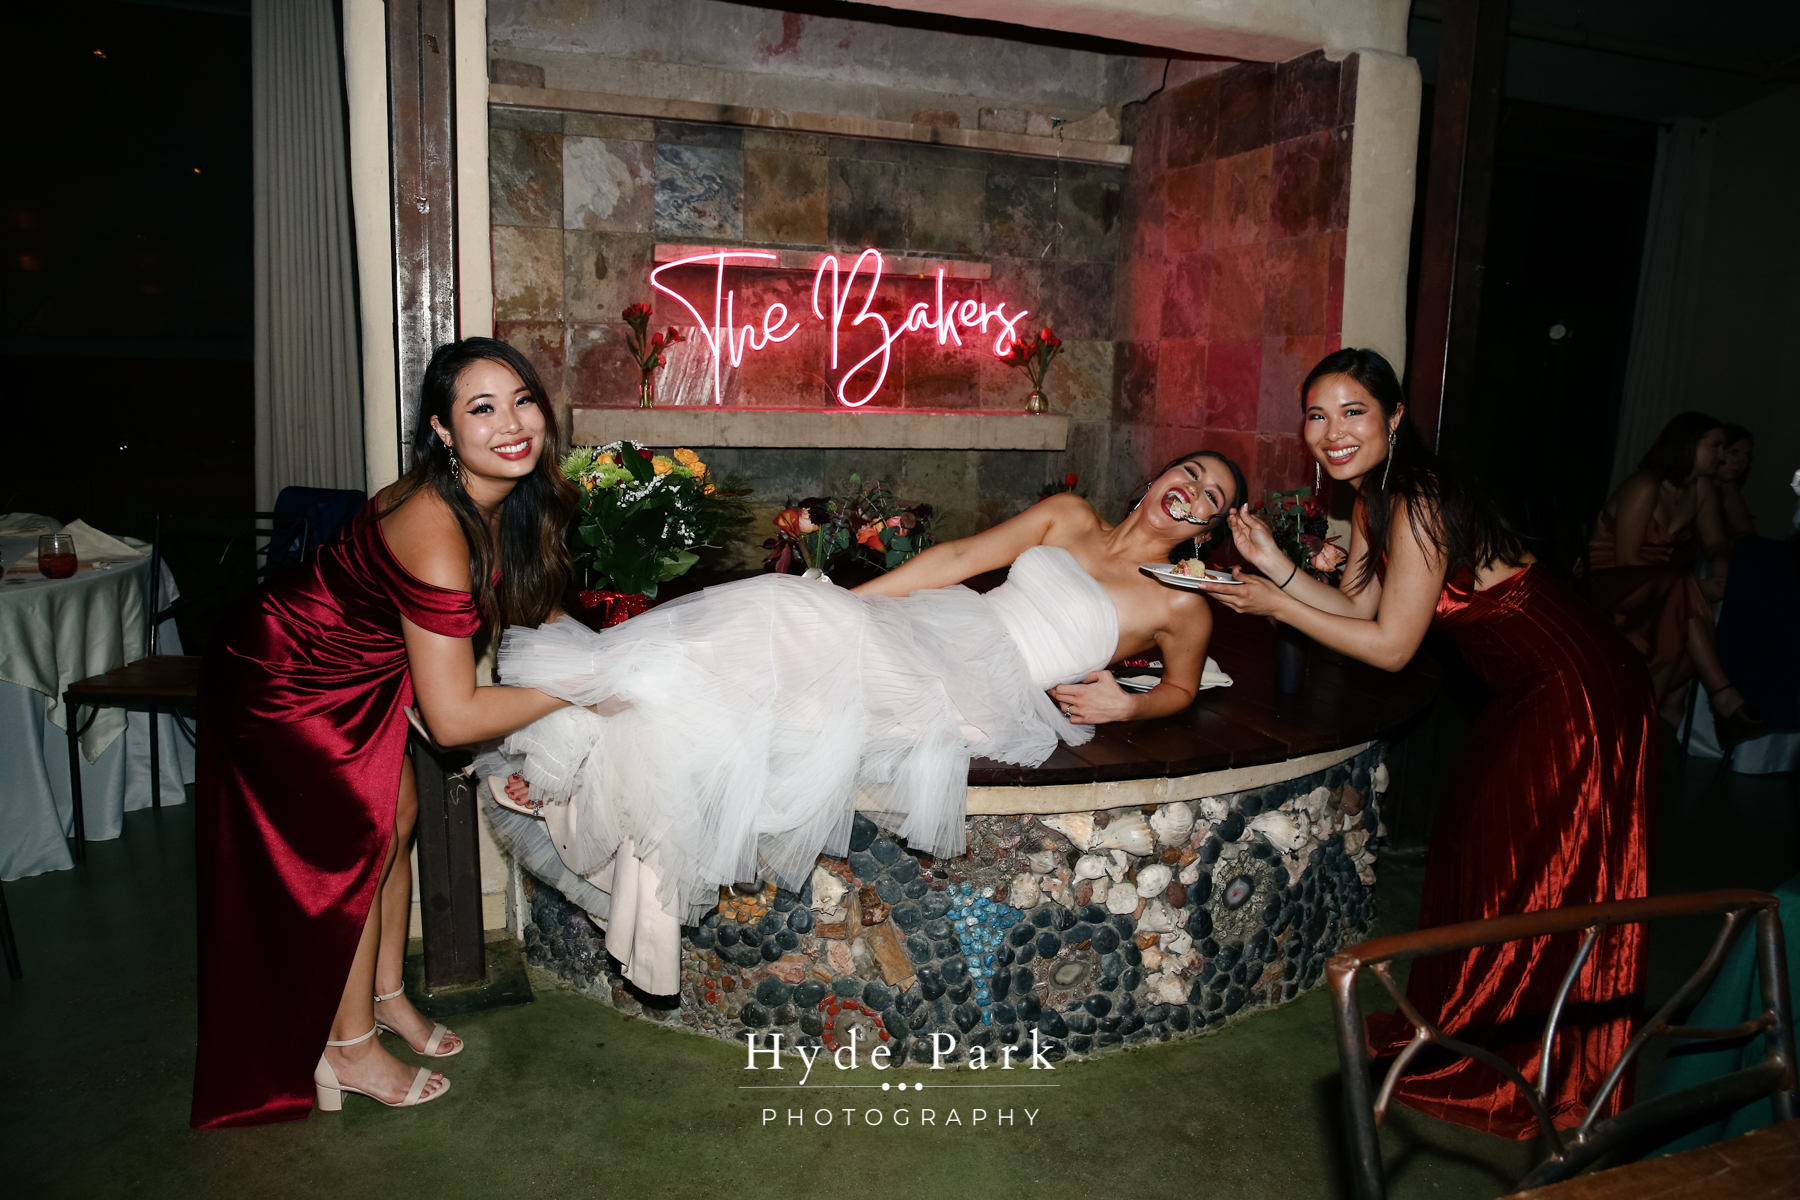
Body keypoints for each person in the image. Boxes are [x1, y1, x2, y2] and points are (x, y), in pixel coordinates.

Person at [484, 450, 1246, 993]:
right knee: (772, 650)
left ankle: (588, 713)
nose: (1194, 490)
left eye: (1212, 495)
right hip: (945, 631)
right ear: (1158, 477)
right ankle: (594, 738)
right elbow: (959, 556)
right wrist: (852, 603)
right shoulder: (1070, 515)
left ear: (1206, 527)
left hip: (986, 695)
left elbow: (1181, 689)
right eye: (1190, 472)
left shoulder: (1182, 603)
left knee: (777, 636)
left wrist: (1130, 703)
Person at [1194, 348, 1656, 1139]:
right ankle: (1483, 1022)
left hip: (1577, 685)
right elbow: (1356, 610)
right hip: (1523, 687)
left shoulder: (1419, 498)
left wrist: (1277, 605)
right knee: (1483, 843)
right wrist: (1274, 565)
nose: (1332, 432)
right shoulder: (1374, 503)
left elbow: (1391, 647)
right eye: (1316, 415)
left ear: (1396, 417)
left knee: (1548, 861)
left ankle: (1540, 1058)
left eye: (1354, 412)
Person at [191, 339, 579, 1127]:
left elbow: (513, 619)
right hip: (284, 676)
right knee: (355, 850)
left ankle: (384, 996)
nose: (512, 425)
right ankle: (346, 1048)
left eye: (523, 400)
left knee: (396, 819)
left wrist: (593, 662)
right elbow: (453, 719)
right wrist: (578, 691)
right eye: (482, 408)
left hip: (355, 675)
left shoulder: (495, 497)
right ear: (441, 429)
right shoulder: (436, 527)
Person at [1590, 412, 1762, 740]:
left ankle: (1641, 720)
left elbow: (1715, 541)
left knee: (1679, 610)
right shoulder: (1644, 485)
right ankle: (1721, 693)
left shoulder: (1700, 488)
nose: (1722, 456)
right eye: (1716, 446)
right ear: (1689, 444)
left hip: (1660, 589)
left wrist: (1720, 565)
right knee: (1682, 591)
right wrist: (1695, 587)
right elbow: (1626, 560)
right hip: (1610, 582)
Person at [1716, 424, 1756, 541]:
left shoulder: (1727, 486)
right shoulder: (1695, 485)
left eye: (1746, 455)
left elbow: (1747, 534)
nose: (1741, 461)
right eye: (1733, 452)